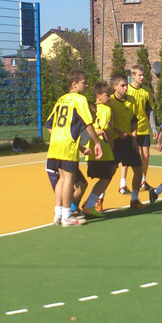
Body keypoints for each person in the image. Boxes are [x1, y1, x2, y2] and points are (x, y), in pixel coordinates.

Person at [45, 70, 103, 227]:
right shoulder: (80, 100)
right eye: (84, 82)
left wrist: (58, 136)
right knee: (69, 180)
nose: (87, 85)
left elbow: (49, 124)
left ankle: (58, 214)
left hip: (55, 144)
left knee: (62, 179)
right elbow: (88, 123)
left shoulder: (61, 100)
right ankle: (67, 215)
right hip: (68, 145)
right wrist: (97, 142)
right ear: (74, 84)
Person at [108, 74, 147, 209]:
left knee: (139, 170)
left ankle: (134, 199)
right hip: (115, 141)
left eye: (126, 85)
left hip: (129, 140)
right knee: (110, 172)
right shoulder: (110, 101)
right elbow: (107, 123)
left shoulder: (131, 100)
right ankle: (98, 200)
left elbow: (133, 120)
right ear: (114, 87)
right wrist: (118, 132)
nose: (126, 88)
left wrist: (134, 139)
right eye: (122, 85)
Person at [81, 82, 116, 218]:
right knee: (106, 177)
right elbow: (106, 129)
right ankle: (90, 204)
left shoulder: (89, 109)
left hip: (90, 148)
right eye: (107, 95)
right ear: (98, 96)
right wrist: (111, 144)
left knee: (102, 177)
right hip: (103, 149)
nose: (110, 98)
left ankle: (81, 204)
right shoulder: (106, 110)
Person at [121, 64, 157, 194]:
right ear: (133, 76)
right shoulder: (127, 90)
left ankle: (143, 180)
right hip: (130, 129)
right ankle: (123, 183)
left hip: (144, 128)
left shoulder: (146, 91)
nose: (142, 77)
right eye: (139, 75)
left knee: (145, 155)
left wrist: (154, 128)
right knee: (126, 156)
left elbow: (150, 110)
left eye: (143, 75)